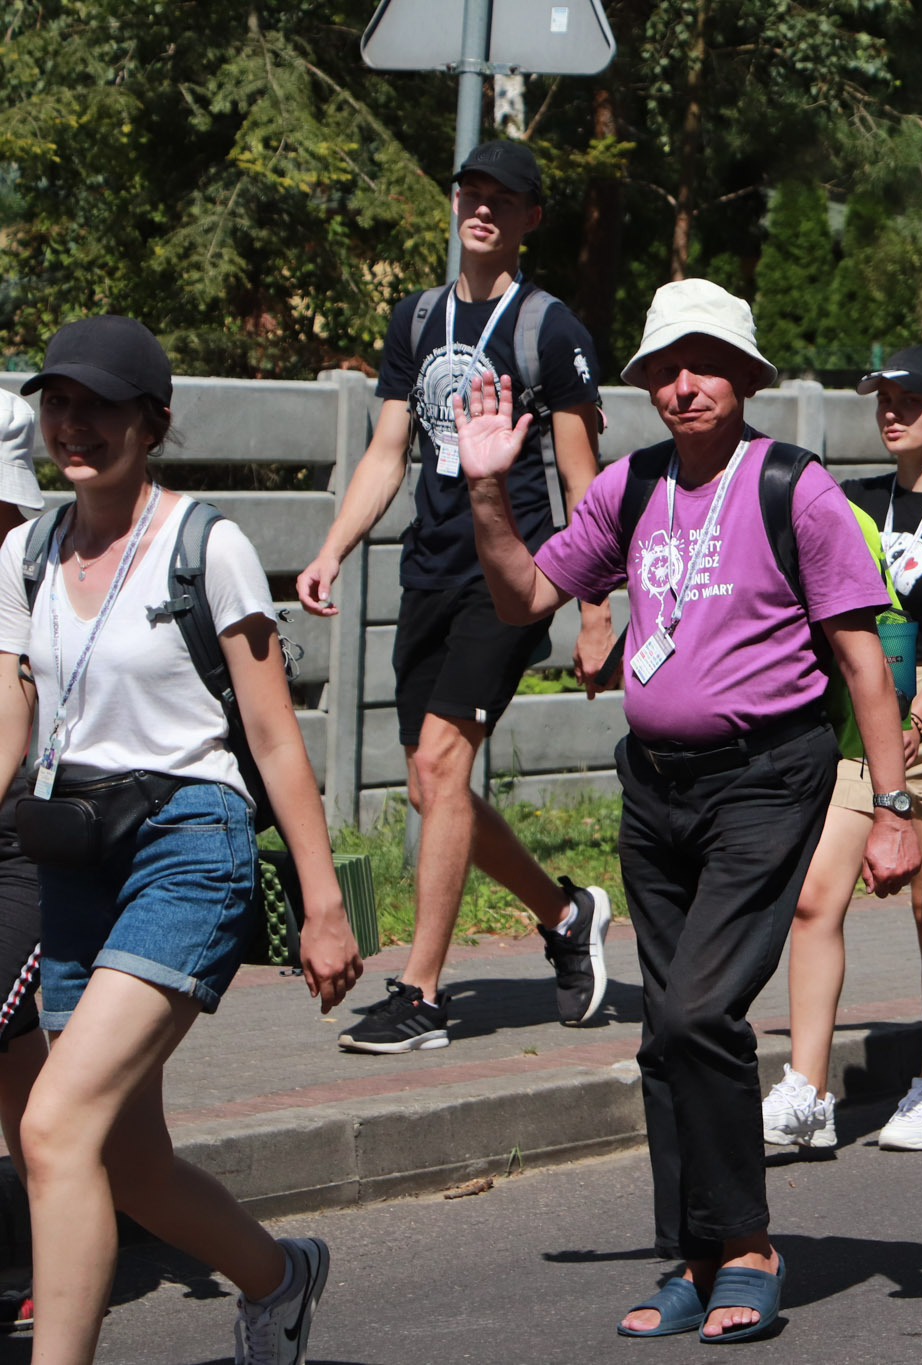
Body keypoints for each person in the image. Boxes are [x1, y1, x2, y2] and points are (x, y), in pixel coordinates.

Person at [460, 279, 920, 1341]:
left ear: (745, 376)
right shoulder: (629, 487)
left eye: (705, 362)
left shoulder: (794, 488)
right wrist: (486, 491)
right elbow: (524, 597)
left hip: (767, 776)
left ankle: (748, 1246)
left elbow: (862, 658)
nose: (684, 383)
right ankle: (694, 1256)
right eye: (665, 367)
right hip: (655, 785)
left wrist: (895, 805)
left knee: (695, 1013)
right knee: (663, 1039)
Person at [0, 316, 362, 1365]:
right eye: (59, 403)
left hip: (186, 847)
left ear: (152, 424)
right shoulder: (25, 553)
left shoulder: (207, 545)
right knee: (126, 1159)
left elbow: (274, 739)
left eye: (100, 407)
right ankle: (281, 1277)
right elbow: (11, 727)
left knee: (53, 1124)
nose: (74, 425)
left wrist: (324, 904)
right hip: (77, 860)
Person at [294, 139, 614, 1054]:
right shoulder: (419, 317)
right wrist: (331, 548)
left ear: (529, 218)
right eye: (470, 192)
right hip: (426, 572)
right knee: (434, 787)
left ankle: (422, 994)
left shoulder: (550, 329)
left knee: (441, 768)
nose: (481, 208)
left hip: (510, 579)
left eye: (501, 198)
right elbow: (387, 452)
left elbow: (585, 483)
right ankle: (567, 915)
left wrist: (595, 610)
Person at [763, 345, 922, 1152]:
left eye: (910, 398)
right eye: (883, 397)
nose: (891, 411)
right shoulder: (851, 501)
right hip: (864, 718)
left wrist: (918, 717)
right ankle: (808, 1091)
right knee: (815, 896)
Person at [0, 392, 47, 1335]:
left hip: (27, 842)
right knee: (18, 1056)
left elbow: (14, 726)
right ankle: (53, 1227)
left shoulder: (34, 570)